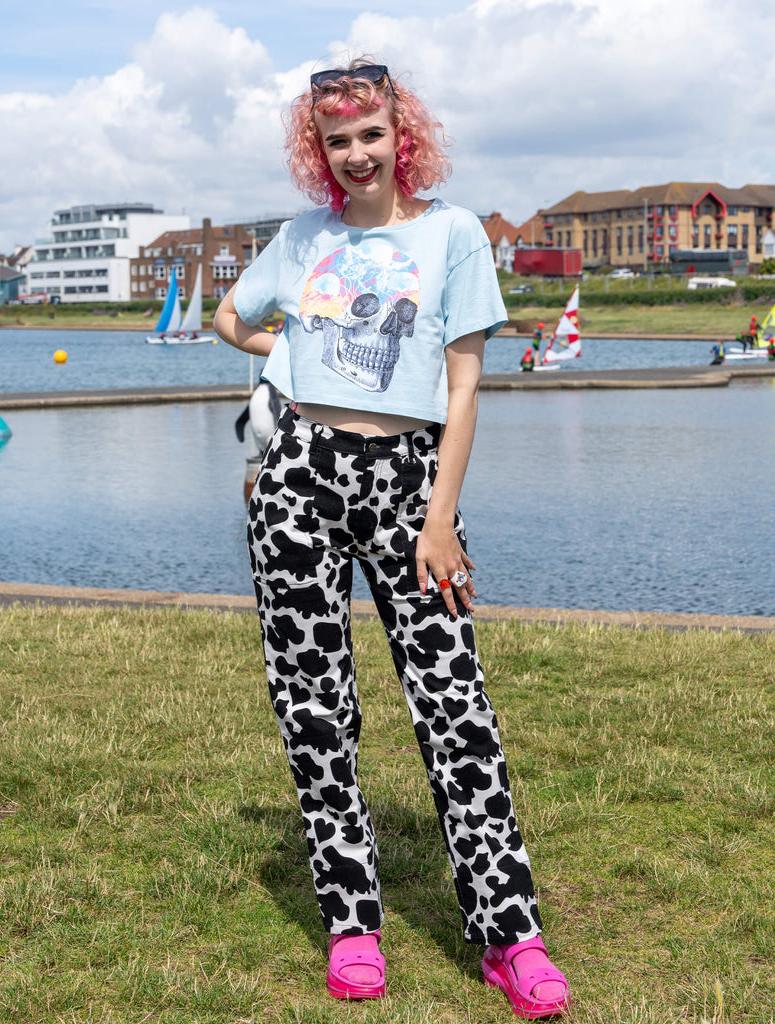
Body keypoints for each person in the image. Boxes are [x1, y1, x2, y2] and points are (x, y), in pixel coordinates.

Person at [213, 59, 570, 1018]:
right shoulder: (300, 238)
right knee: (314, 707)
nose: (357, 153)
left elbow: (461, 384)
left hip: (411, 483)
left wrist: (441, 516)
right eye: (338, 141)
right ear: (318, 152)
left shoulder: (452, 235)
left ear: (399, 135)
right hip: (295, 478)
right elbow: (227, 318)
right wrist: (291, 348)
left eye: (371, 134)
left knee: (456, 711)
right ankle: (351, 922)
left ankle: (508, 936)